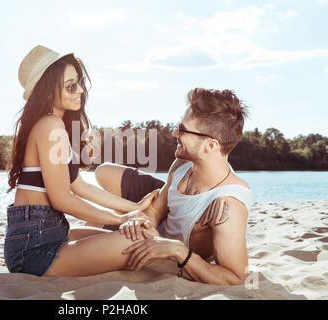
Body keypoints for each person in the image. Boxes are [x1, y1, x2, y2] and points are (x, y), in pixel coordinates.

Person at [4, 45, 158, 277]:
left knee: (140, 237)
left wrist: (134, 208)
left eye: (79, 82)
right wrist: (119, 218)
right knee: (144, 241)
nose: (80, 91)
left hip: (49, 233)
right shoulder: (50, 126)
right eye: (70, 86)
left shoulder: (55, 126)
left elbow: (79, 186)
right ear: (47, 93)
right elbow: (62, 199)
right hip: (34, 248)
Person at [95, 88, 252, 285]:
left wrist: (178, 250)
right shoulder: (183, 163)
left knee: (90, 241)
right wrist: (141, 222)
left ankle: (114, 221)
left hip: (175, 241)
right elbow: (156, 211)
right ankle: (120, 218)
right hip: (163, 221)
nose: (174, 132)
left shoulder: (228, 205)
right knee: (104, 173)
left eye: (183, 129)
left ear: (210, 146)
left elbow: (236, 278)